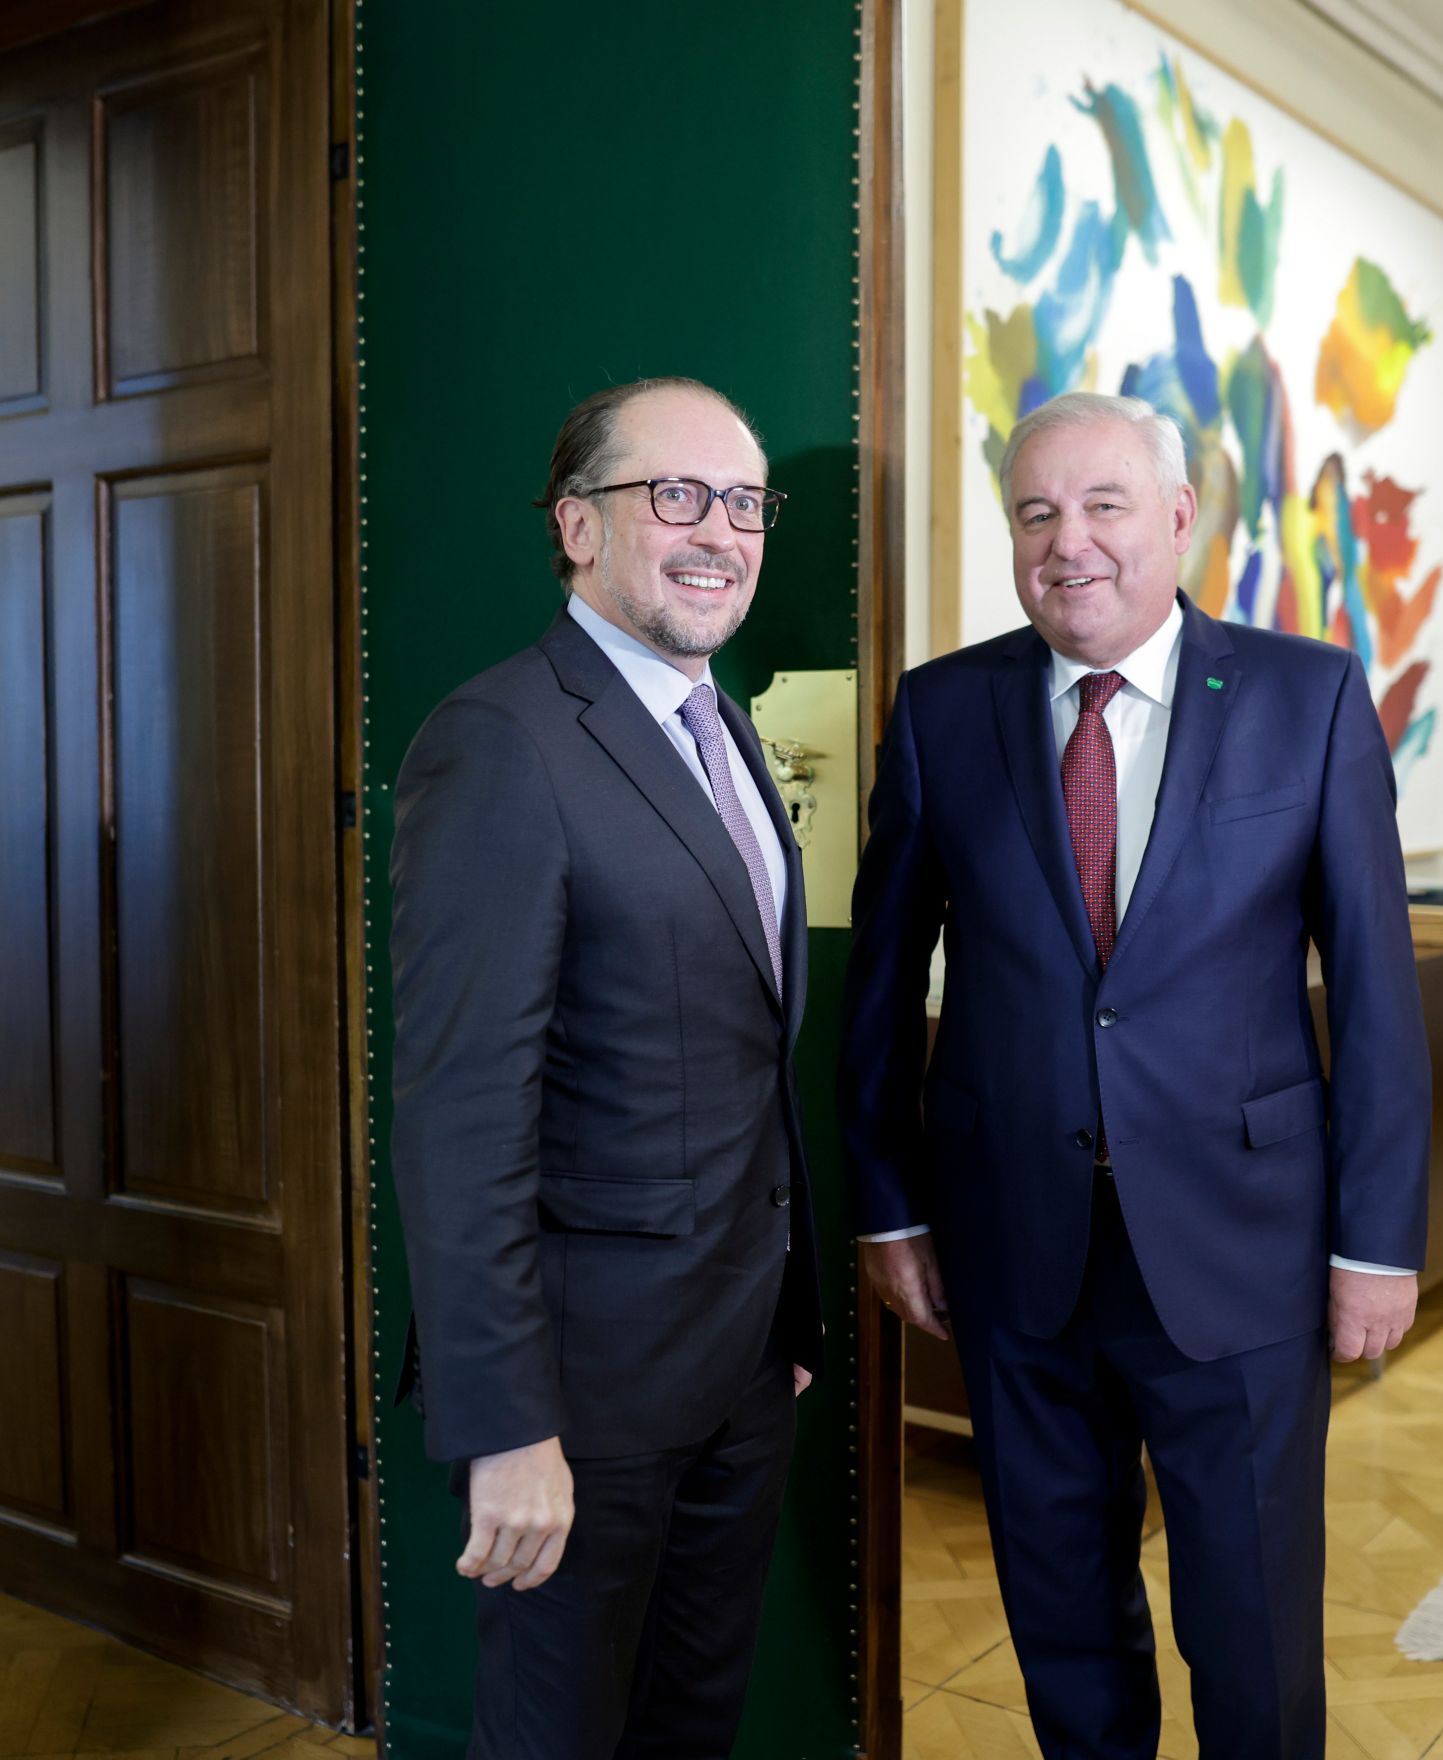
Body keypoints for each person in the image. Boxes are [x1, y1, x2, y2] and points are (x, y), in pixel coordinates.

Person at [840, 391, 1431, 1758]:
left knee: (1252, 1617)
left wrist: (1375, 1243)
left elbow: (1376, 992)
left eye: (1104, 505)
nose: (1070, 543)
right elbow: (879, 983)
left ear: (1177, 518)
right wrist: (889, 1207)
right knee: (1059, 1611)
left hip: (1242, 1246)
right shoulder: (942, 711)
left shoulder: (1306, 697)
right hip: (1011, 1244)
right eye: (1035, 514)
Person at [389, 377, 821, 1759]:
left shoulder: (721, 725)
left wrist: (780, 1326)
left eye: (744, 503)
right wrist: (505, 1426)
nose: (720, 532)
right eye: (675, 495)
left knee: (690, 1726)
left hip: (739, 1369)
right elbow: (461, 1118)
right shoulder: (501, 741)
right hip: (580, 1400)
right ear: (577, 526)